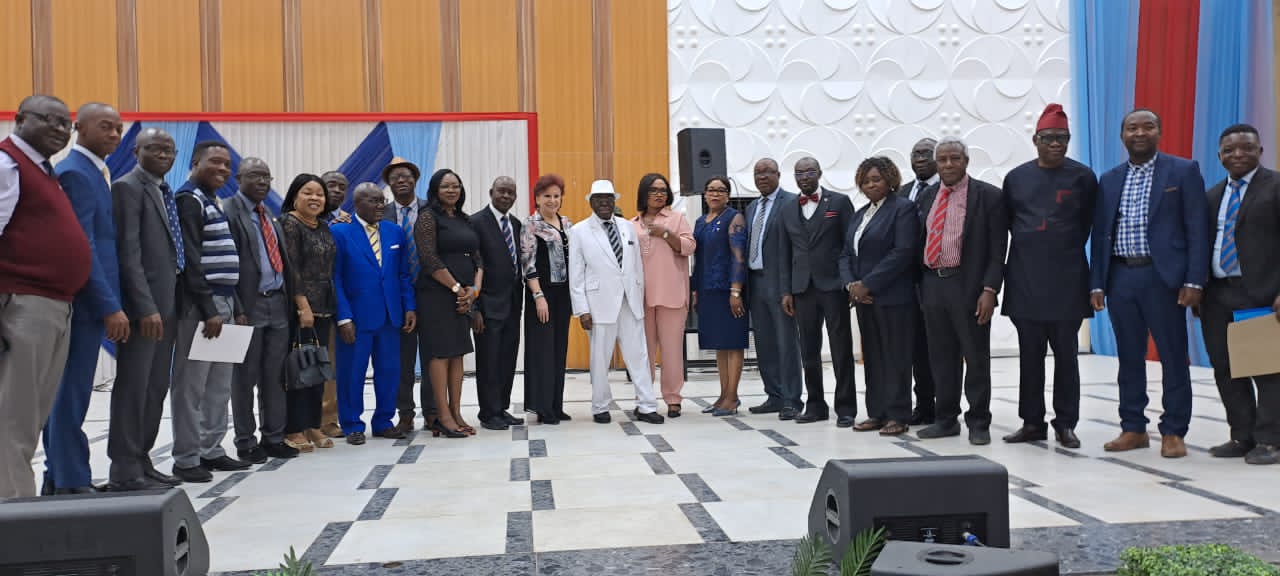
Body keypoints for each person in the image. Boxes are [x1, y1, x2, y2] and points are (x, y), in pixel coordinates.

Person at [1090, 109, 1209, 458]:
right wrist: (1097, 282)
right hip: (1121, 277)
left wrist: (1194, 280)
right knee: (1129, 356)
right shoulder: (1109, 179)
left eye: (1147, 126)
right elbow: (1101, 233)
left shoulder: (1182, 171)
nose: (1139, 133)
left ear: (1159, 131)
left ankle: (1173, 431)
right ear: (1122, 135)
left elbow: (1197, 228)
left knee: (1172, 355)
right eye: (1132, 127)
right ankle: (1133, 427)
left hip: (1164, 278)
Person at [0, 95, 91, 498]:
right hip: (22, 304)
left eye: (65, 124)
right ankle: (14, 513)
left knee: (29, 417)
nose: (59, 129)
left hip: (52, 305)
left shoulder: (42, 171)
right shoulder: (7, 165)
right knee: (12, 418)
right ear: (20, 119)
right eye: (49, 120)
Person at [40, 102, 125, 495]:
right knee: (69, 396)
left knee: (71, 395)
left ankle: (60, 476)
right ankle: (71, 482)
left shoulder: (94, 171)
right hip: (84, 303)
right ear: (80, 128)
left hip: (90, 302)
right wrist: (109, 305)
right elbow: (83, 246)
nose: (114, 134)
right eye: (105, 126)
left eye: (118, 128)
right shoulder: (75, 172)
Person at [1000, 104, 1097, 450]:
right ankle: (1031, 422)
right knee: (1030, 357)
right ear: (1035, 140)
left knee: (1067, 358)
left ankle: (1066, 423)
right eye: (1049, 138)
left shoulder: (1083, 177)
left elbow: (1087, 225)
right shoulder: (1016, 178)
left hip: (1067, 281)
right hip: (1025, 280)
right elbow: (1008, 225)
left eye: (1062, 138)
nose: (1056, 144)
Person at [914, 138, 1008, 446]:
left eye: (955, 158)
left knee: (976, 357)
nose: (948, 164)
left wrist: (990, 289)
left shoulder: (988, 196)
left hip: (968, 285)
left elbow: (998, 248)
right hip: (933, 284)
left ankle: (979, 422)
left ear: (966, 161)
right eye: (942, 159)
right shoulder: (927, 196)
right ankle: (945, 420)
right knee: (941, 358)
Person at [171, 141, 252, 483]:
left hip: (225, 303)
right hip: (202, 307)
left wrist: (236, 307)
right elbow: (190, 260)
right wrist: (209, 309)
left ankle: (212, 449)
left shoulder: (211, 201)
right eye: (215, 162)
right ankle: (187, 458)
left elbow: (225, 260)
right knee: (191, 387)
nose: (223, 169)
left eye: (227, 164)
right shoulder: (188, 199)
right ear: (194, 163)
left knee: (219, 385)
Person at [107, 126, 183, 491]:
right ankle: (124, 468)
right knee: (133, 388)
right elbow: (128, 252)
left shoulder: (164, 190)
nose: (164, 155)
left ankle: (142, 458)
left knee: (155, 388)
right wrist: (144, 306)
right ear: (136, 151)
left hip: (169, 305)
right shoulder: (127, 187)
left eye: (169, 150)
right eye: (155, 148)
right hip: (145, 310)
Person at [1200, 124, 1280, 465]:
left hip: (1260, 294)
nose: (1238, 154)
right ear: (1219, 156)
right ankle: (1242, 435)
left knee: (1267, 369)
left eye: (1246, 148)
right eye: (1230, 150)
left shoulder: (1275, 187)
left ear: (1260, 151)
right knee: (1227, 368)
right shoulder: (1212, 195)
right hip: (1218, 295)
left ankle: (1271, 440)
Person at [569, 180, 664, 425]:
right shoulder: (579, 231)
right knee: (600, 359)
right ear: (591, 202)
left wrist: (639, 298)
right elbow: (576, 274)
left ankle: (646, 406)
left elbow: (636, 267)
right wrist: (582, 310)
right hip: (598, 305)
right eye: (599, 198)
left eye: (608, 198)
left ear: (614, 202)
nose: (604, 202)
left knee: (639, 356)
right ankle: (600, 406)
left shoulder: (627, 227)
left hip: (629, 303)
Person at [839, 157, 920, 436]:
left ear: (890, 180)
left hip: (894, 297)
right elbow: (846, 253)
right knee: (872, 357)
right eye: (865, 181)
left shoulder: (903, 208)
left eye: (876, 179)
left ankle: (898, 414)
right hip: (864, 299)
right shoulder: (860, 213)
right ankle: (877, 412)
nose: (871, 185)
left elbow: (902, 252)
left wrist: (868, 284)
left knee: (896, 357)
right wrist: (851, 285)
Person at [225, 158, 299, 461]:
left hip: (277, 302)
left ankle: (274, 437)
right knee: (244, 377)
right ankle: (246, 441)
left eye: (267, 177)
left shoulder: (267, 212)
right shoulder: (229, 211)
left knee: (275, 376)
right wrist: (237, 306)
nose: (263, 182)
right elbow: (226, 264)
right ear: (238, 178)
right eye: (255, 176)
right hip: (248, 304)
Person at [333, 183, 417, 444]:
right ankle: (352, 425)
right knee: (352, 373)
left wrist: (409, 306)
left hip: (390, 316)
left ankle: (383, 422)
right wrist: (343, 316)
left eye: (382, 200)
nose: (380, 206)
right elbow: (334, 279)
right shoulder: (340, 232)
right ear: (357, 204)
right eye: (373, 201)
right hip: (356, 318)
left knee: (389, 371)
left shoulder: (394, 232)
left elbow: (403, 274)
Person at [779, 157, 857, 426]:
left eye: (809, 172)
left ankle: (846, 407)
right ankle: (815, 405)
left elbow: (849, 245)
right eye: (799, 173)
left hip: (834, 285)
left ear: (820, 173)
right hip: (802, 288)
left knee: (840, 348)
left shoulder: (839, 203)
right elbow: (784, 253)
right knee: (809, 350)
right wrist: (786, 290)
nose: (804, 177)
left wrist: (850, 282)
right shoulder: (788, 209)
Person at [415, 169, 482, 437]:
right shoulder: (427, 217)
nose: (452, 190)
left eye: (456, 186)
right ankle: (442, 416)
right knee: (441, 354)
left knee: (457, 353)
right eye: (445, 186)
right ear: (435, 190)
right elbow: (429, 259)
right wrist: (456, 288)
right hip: (436, 295)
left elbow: (478, 259)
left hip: (463, 297)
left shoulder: (465, 219)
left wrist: (473, 291)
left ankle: (456, 412)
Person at [279, 173, 339, 452]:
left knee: (317, 368)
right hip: (299, 309)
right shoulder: (289, 224)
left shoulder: (324, 226)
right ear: (295, 196)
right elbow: (291, 269)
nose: (315, 198)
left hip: (324, 308)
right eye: (308, 192)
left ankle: (313, 424)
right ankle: (293, 427)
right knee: (298, 369)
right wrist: (302, 306)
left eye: (319, 194)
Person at [632, 173, 696, 417]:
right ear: (643, 194)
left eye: (662, 190)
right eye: (653, 190)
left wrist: (666, 234)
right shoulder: (631, 224)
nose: (659, 194)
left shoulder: (677, 219)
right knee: (643, 353)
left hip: (672, 295)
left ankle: (673, 398)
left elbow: (689, 247)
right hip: (641, 299)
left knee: (671, 352)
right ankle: (645, 399)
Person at [382, 158, 437, 434]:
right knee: (402, 360)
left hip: (431, 293)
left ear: (416, 180)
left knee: (431, 356)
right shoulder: (381, 214)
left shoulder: (432, 209)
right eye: (395, 178)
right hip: (397, 298)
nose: (401, 181)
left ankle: (432, 412)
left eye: (406, 176)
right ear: (389, 184)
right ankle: (405, 413)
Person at [744, 158, 802, 420]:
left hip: (780, 284)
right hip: (755, 282)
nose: (762, 177)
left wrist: (789, 288)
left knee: (786, 343)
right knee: (765, 343)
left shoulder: (791, 202)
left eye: (768, 172)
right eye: (758, 173)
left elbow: (796, 248)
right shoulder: (752, 207)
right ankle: (774, 395)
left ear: (778, 174)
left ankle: (792, 399)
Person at [471, 176, 526, 431]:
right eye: (501, 191)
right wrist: (475, 308)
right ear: (491, 192)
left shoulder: (515, 224)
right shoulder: (476, 222)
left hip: (513, 304)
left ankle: (501, 407)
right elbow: (474, 266)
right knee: (489, 362)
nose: (506, 196)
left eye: (510, 192)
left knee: (507, 359)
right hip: (487, 306)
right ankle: (488, 412)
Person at [692, 176, 748, 416]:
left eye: (720, 190)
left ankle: (732, 398)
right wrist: (695, 290)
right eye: (711, 190)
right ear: (704, 194)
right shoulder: (700, 221)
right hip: (707, 290)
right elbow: (698, 258)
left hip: (728, 290)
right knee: (720, 344)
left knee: (733, 343)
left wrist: (736, 291)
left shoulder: (734, 218)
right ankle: (723, 395)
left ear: (727, 195)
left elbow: (739, 257)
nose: (715, 194)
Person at [521, 174, 574, 425]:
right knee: (542, 351)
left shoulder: (567, 223)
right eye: (547, 196)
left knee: (559, 349)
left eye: (556, 196)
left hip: (564, 296)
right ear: (537, 198)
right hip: (541, 295)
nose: (552, 200)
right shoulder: (531, 224)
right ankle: (543, 408)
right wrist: (538, 296)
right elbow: (527, 263)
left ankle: (556, 405)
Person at [897, 138, 940, 425]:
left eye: (926, 153)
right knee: (915, 350)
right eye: (916, 153)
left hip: (936, 281)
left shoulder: (946, 190)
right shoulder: (901, 192)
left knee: (940, 349)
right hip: (905, 285)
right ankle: (923, 404)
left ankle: (944, 406)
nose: (920, 158)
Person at [318, 170, 349, 438]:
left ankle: (330, 418)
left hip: (339, 301)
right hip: (311, 301)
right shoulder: (306, 219)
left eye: (342, 187)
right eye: (331, 185)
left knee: (333, 363)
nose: (337, 190)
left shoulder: (348, 221)